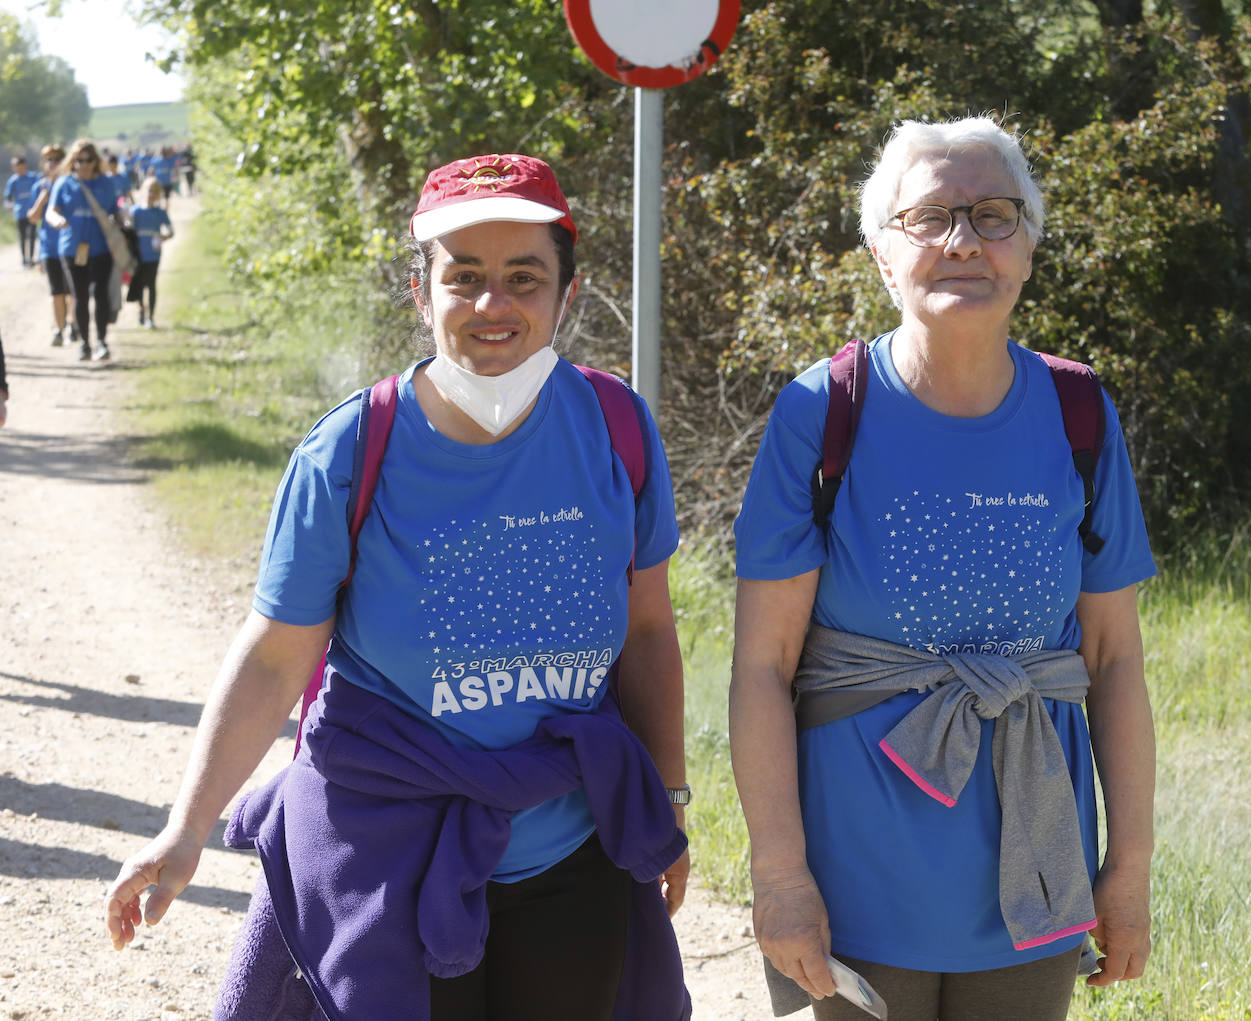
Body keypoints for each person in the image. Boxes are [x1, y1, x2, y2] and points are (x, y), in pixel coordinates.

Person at [103, 153, 693, 1021]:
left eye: (524, 277)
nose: (494, 304)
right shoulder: (349, 452)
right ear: (423, 294)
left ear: (566, 294)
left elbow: (646, 632)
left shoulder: (617, 428)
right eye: (465, 278)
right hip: (387, 852)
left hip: (572, 846)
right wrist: (185, 829)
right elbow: (273, 659)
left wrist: (667, 800)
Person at [730, 116, 1157, 1021]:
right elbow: (763, 667)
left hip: (1033, 883)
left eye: (993, 215)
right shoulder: (822, 412)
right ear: (883, 253)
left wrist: (1127, 870)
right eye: (929, 217)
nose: (964, 240)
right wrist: (780, 877)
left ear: (1029, 248)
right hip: (857, 889)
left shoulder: (1078, 411)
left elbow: (1114, 657)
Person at [45, 138, 123, 362]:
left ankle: (101, 342)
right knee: (79, 296)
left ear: (95, 160)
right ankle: (84, 344)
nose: (84, 164)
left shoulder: (106, 184)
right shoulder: (64, 183)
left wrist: (121, 223)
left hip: (101, 249)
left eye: (88, 159)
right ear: (73, 161)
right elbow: (51, 211)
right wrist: (56, 219)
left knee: (100, 296)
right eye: (79, 160)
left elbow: (114, 211)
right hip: (71, 249)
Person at [27, 145, 75, 347]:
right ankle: (59, 328)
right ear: (43, 164)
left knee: (72, 290)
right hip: (49, 248)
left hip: (71, 245)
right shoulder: (38, 187)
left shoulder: (71, 185)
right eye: (49, 159)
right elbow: (32, 218)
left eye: (57, 159)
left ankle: (73, 323)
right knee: (57, 292)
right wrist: (41, 199)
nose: (53, 163)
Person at [126, 178, 173, 327]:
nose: (151, 194)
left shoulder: (160, 212)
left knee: (151, 284)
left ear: (158, 194)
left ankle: (151, 317)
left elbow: (171, 230)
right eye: (148, 191)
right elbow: (128, 228)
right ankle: (141, 309)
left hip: (153, 253)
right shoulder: (135, 211)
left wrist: (162, 238)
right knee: (139, 282)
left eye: (154, 192)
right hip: (138, 253)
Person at [5, 155, 41, 268]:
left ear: (25, 166)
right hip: (19, 213)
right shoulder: (13, 181)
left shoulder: (33, 178)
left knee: (31, 236)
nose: (19, 169)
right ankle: (24, 260)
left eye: (21, 166)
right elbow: (8, 197)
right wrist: (9, 205)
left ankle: (30, 259)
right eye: (16, 167)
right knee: (22, 237)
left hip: (32, 212)